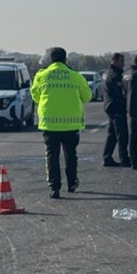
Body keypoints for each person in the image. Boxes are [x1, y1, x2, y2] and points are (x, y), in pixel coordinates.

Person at [30, 47, 92, 199]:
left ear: (51, 59)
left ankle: (54, 187)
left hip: (50, 124)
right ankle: (72, 183)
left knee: (52, 156)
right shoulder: (75, 76)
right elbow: (87, 97)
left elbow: (35, 96)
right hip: (71, 124)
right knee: (71, 154)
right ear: (65, 59)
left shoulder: (42, 76)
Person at [102, 52, 130, 167]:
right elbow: (120, 93)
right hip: (116, 107)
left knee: (112, 134)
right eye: (121, 61)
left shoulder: (106, 73)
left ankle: (107, 157)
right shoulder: (115, 75)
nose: (123, 64)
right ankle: (124, 159)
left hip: (109, 106)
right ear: (115, 61)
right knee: (122, 135)